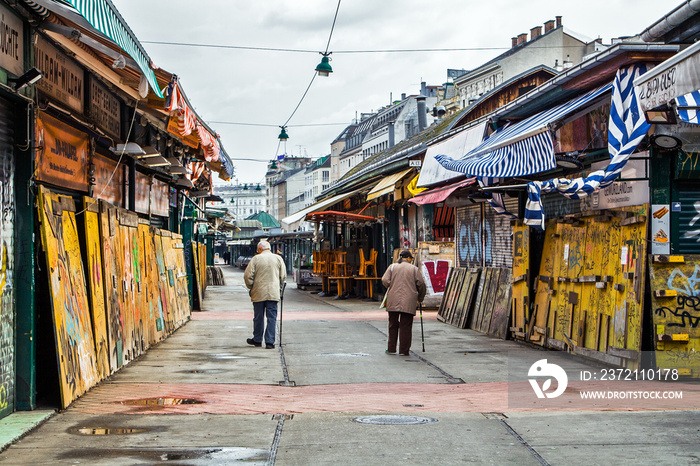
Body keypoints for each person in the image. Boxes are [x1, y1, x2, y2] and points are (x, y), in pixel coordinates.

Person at [381, 249, 427, 356]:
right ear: (408, 258)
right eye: (411, 258)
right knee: (405, 326)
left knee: (392, 324)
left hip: (393, 300)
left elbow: (384, 280)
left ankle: (391, 348)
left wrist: (391, 285)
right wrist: (420, 298)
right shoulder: (414, 269)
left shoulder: (392, 267)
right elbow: (421, 285)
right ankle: (404, 350)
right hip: (409, 301)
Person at [244, 240, 286, 349]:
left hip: (258, 293)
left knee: (258, 317)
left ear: (259, 249)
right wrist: (279, 288)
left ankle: (257, 340)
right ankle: (270, 342)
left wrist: (251, 287)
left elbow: (248, 276)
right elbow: (283, 276)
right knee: (272, 317)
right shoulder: (278, 259)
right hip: (273, 293)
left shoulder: (255, 259)